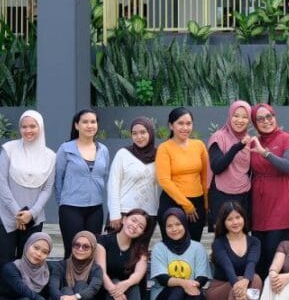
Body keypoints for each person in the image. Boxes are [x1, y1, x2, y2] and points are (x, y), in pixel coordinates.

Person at [0, 109, 55, 268]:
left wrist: (31, 214)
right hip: (5, 215)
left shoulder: (50, 156)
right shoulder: (9, 149)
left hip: (34, 219)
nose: (28, 130)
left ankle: (24, 294)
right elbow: (1, 183)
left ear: (40, 127)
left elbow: (47, 189)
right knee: (6, 265)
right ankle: (4, 294)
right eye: (24, 126)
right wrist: (17, 213)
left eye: (32, 126)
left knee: (28, 265)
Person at [248, 103, 289, 277]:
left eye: (269, 116)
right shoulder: (254, 142)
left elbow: (288, 166)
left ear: (275, 116)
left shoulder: (287, 138)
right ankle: (260, 297)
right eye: (260, 119)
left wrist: (265, 154)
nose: (266, 121)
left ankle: (278, 296)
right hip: (259, 204)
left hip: (281, 201)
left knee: (274, 250)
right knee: (260, 252)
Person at [149, 208, 211, 300]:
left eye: (178, 224)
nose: (174, 229)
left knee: (198, 296)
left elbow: (203, 277)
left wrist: (192, 285)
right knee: (178, 288)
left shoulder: (197, 247)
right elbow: (162, 278)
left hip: (189, 298)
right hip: (162, 298)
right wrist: (184, 283)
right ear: (164, 228)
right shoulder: (159, 248)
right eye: (169, 226)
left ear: (184, 224)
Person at [54, 109, 109, 257]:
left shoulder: (103, 150)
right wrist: (62, 203)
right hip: (71, 208)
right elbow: (58, 179)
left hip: (95, 208)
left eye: (93, 122)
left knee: (92, 250)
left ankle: (90, 281)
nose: (90, 125)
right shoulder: (66, 149)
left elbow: (103, 175)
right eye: (85, 122)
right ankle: (70, 280)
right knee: (73, 250)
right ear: (77, 125)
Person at [205, 201, 262, 300]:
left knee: (255, 279)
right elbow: (227, 267)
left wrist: (245, 282)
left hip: (242, 290)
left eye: (238, 217)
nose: (235, 222)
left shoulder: (254, 242)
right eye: (230, 219)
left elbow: (251, 263)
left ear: (244, 218)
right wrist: (239, 283)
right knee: (245, 280)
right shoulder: (219, 243)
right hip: (219, 294)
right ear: (224, 222)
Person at [94, 208, 149, 300]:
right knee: (113, 280)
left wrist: (125, 284)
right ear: (124, 220)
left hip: (129, 299)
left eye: (140, 226)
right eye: (133, 220)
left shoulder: (141, 249)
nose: (135, 226)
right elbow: (100, 270)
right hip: (105, 294)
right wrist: (114, 289)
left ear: (142, 232)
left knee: (133, 284)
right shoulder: (103, 241)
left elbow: (138, 275)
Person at [156, 107, 209, 241]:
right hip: (172, 203)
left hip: (197, 204)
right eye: (180, 123)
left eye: (188, 123)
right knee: (173, 246)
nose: (185, 127)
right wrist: (187, 205)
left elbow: (205, 176)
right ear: (171, 125)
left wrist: (206, 204)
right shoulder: (164, 148)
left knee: (193, 245)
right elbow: (164, 180)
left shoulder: (199, 145)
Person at [107, 116, 159, 243]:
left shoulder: (159, 155)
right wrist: (115, 214)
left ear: (150, 133)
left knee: (139, 253)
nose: (139, 137)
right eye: (134, 133)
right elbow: (113, 184)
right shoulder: (123, 154)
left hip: (149, 214)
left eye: (143, 132)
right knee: (118, 254)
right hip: (124, 213)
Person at [49, 230, 104, 300]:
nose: (80, 249)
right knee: (65, 290)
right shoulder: (60, 266)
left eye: (85, 246)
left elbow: (92, 289)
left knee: (81, 285)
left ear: (92, 249)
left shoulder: (96, 269)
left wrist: (75, 297)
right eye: (77, 245)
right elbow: (53, 289)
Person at [207, 100, 252, 230]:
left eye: (245, 117)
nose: (240, 120)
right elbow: (217, 167)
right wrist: (237, 147)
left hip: (243, 194)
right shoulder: (218, 137)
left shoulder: (248, 140)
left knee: (242, 237)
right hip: (221, 195)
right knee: (222, 238)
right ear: (230, 116)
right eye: (236, 115)